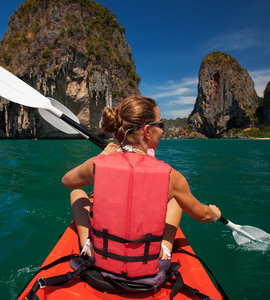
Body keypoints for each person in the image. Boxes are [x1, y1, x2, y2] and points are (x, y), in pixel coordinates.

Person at [61, 95, 221, 284]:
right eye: (160, 125)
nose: (162, 130)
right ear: (147, 131)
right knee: (177, 200)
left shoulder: (98, 164)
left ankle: (87, 245)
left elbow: (67, 181)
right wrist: (214, 213)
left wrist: (103, 156)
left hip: (99, 263)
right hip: (150, 272)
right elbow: (203, 215)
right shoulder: (171, 176)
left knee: (77, 193)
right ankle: (165, 248)